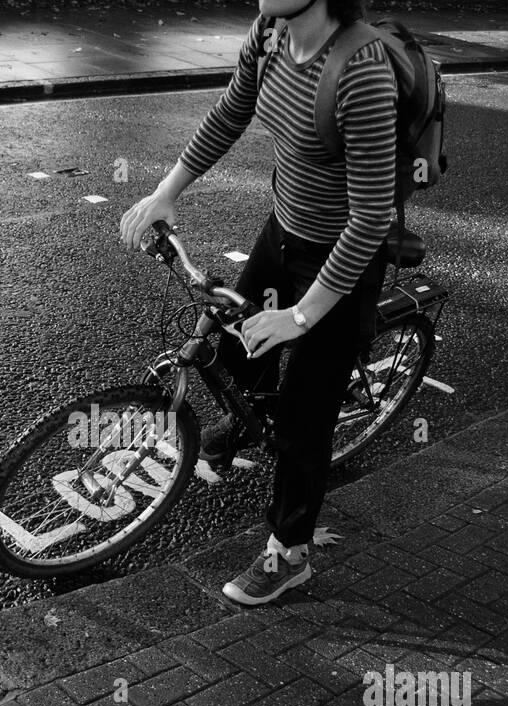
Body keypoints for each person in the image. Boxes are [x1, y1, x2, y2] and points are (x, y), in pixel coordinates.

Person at [119, 0, 398, 605]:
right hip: (284, 231)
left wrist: (302, 315)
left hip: (343, 258)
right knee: (236, 341)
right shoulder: (270, 34)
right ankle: (246, 425)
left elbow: (373, 217)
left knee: (305, 421)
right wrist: (166, 193)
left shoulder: (362, 72)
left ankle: (290, 552)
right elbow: (229, 113)